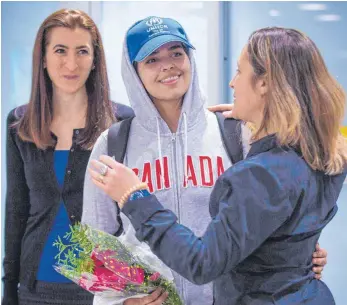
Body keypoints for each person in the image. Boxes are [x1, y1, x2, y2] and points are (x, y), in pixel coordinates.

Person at [89, 26, 347, 304]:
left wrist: (301, 253)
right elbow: (93, 245)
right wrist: (119, 301)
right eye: (152, 59)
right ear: (133, 71)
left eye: (177, 53)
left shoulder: (235, 134)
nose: (168, 65)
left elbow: (274, 221)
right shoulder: (113, 142)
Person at [2, 9, 133, 305]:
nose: (71, 63)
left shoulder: (122, 122)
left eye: (82, 51)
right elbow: (16, 211)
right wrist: (9, 289)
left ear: (95, 59)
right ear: (44, 58)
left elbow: (133, 213)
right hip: (35, 289)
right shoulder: (20, 124)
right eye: (60, 50)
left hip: (105, 290)